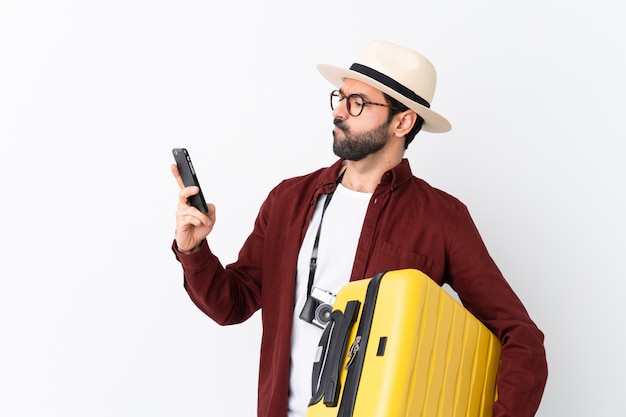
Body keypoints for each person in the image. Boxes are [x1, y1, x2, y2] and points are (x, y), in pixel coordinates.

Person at [171, 40, 548, 417]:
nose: (339, 112)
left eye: (358, 102)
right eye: (340, 97)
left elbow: (521, 338)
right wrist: (193, 251)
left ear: (403, 121)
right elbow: (231, 305)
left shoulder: (442, 219)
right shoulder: (287, 200)